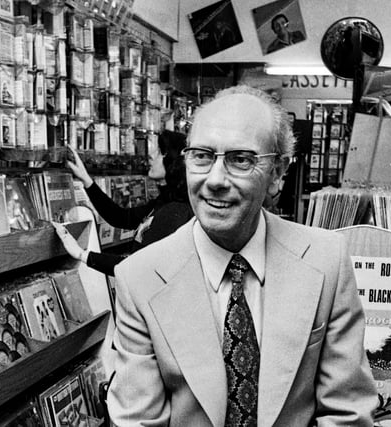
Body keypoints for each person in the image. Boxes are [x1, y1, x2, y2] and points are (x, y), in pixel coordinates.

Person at [107, 85, 377, 426]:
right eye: (202, 155)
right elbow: (138, 421)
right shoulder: (140, 276)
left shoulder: (326, 260)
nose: (216, 180)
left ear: (277, 173)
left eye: (240, 159)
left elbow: (348, 413)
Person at [53, 130, 193, 277]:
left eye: (159, 152)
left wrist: (82, 254)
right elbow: (120, 217)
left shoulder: (175, 211)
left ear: (173, 162)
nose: (151, 155)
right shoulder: (164, 203)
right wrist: (86, 180)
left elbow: (136, 267)